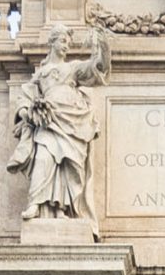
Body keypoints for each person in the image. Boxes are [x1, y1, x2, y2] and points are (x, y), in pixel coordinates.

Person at [6, 26, 110, 224]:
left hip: (73, 121)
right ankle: (36, 203)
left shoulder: (73, 68)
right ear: (52, 42)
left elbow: (97, 67)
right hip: (49, 120)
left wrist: (101, 45)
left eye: (68, 44)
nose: (66, 46)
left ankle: (63, 207)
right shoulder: (41, 73)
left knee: (70, 164)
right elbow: (25, 97)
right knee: (44, 158)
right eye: (62, 42)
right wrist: (28, 113)